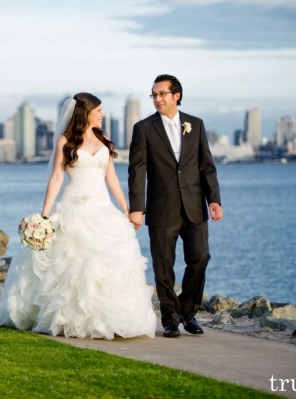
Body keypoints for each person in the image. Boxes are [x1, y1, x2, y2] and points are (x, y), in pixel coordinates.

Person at [0, 92, 156, 340]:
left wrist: (125, 208)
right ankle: (67, 320)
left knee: (106, 265)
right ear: (86, 113)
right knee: (73, 267)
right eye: (98, 111)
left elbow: (111, 178)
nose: (102, 114)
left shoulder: (103, 139)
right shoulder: (65, 141)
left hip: (103, 210)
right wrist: (44, 214)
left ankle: (108, 321)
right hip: (73, 209)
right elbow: (56, 178)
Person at [128, 74, 222, 338]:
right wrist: (137, 206)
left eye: (162, 94)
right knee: (163, 266)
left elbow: (206, 166)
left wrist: (213, 199)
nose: (157, 99)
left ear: (176, 96)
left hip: (194, 205)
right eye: (154, 95)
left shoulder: (196, 124)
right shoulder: (143, 128)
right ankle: (170, 319)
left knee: (201, 258)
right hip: (161, 207)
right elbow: (137, 170)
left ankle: (187, 312)